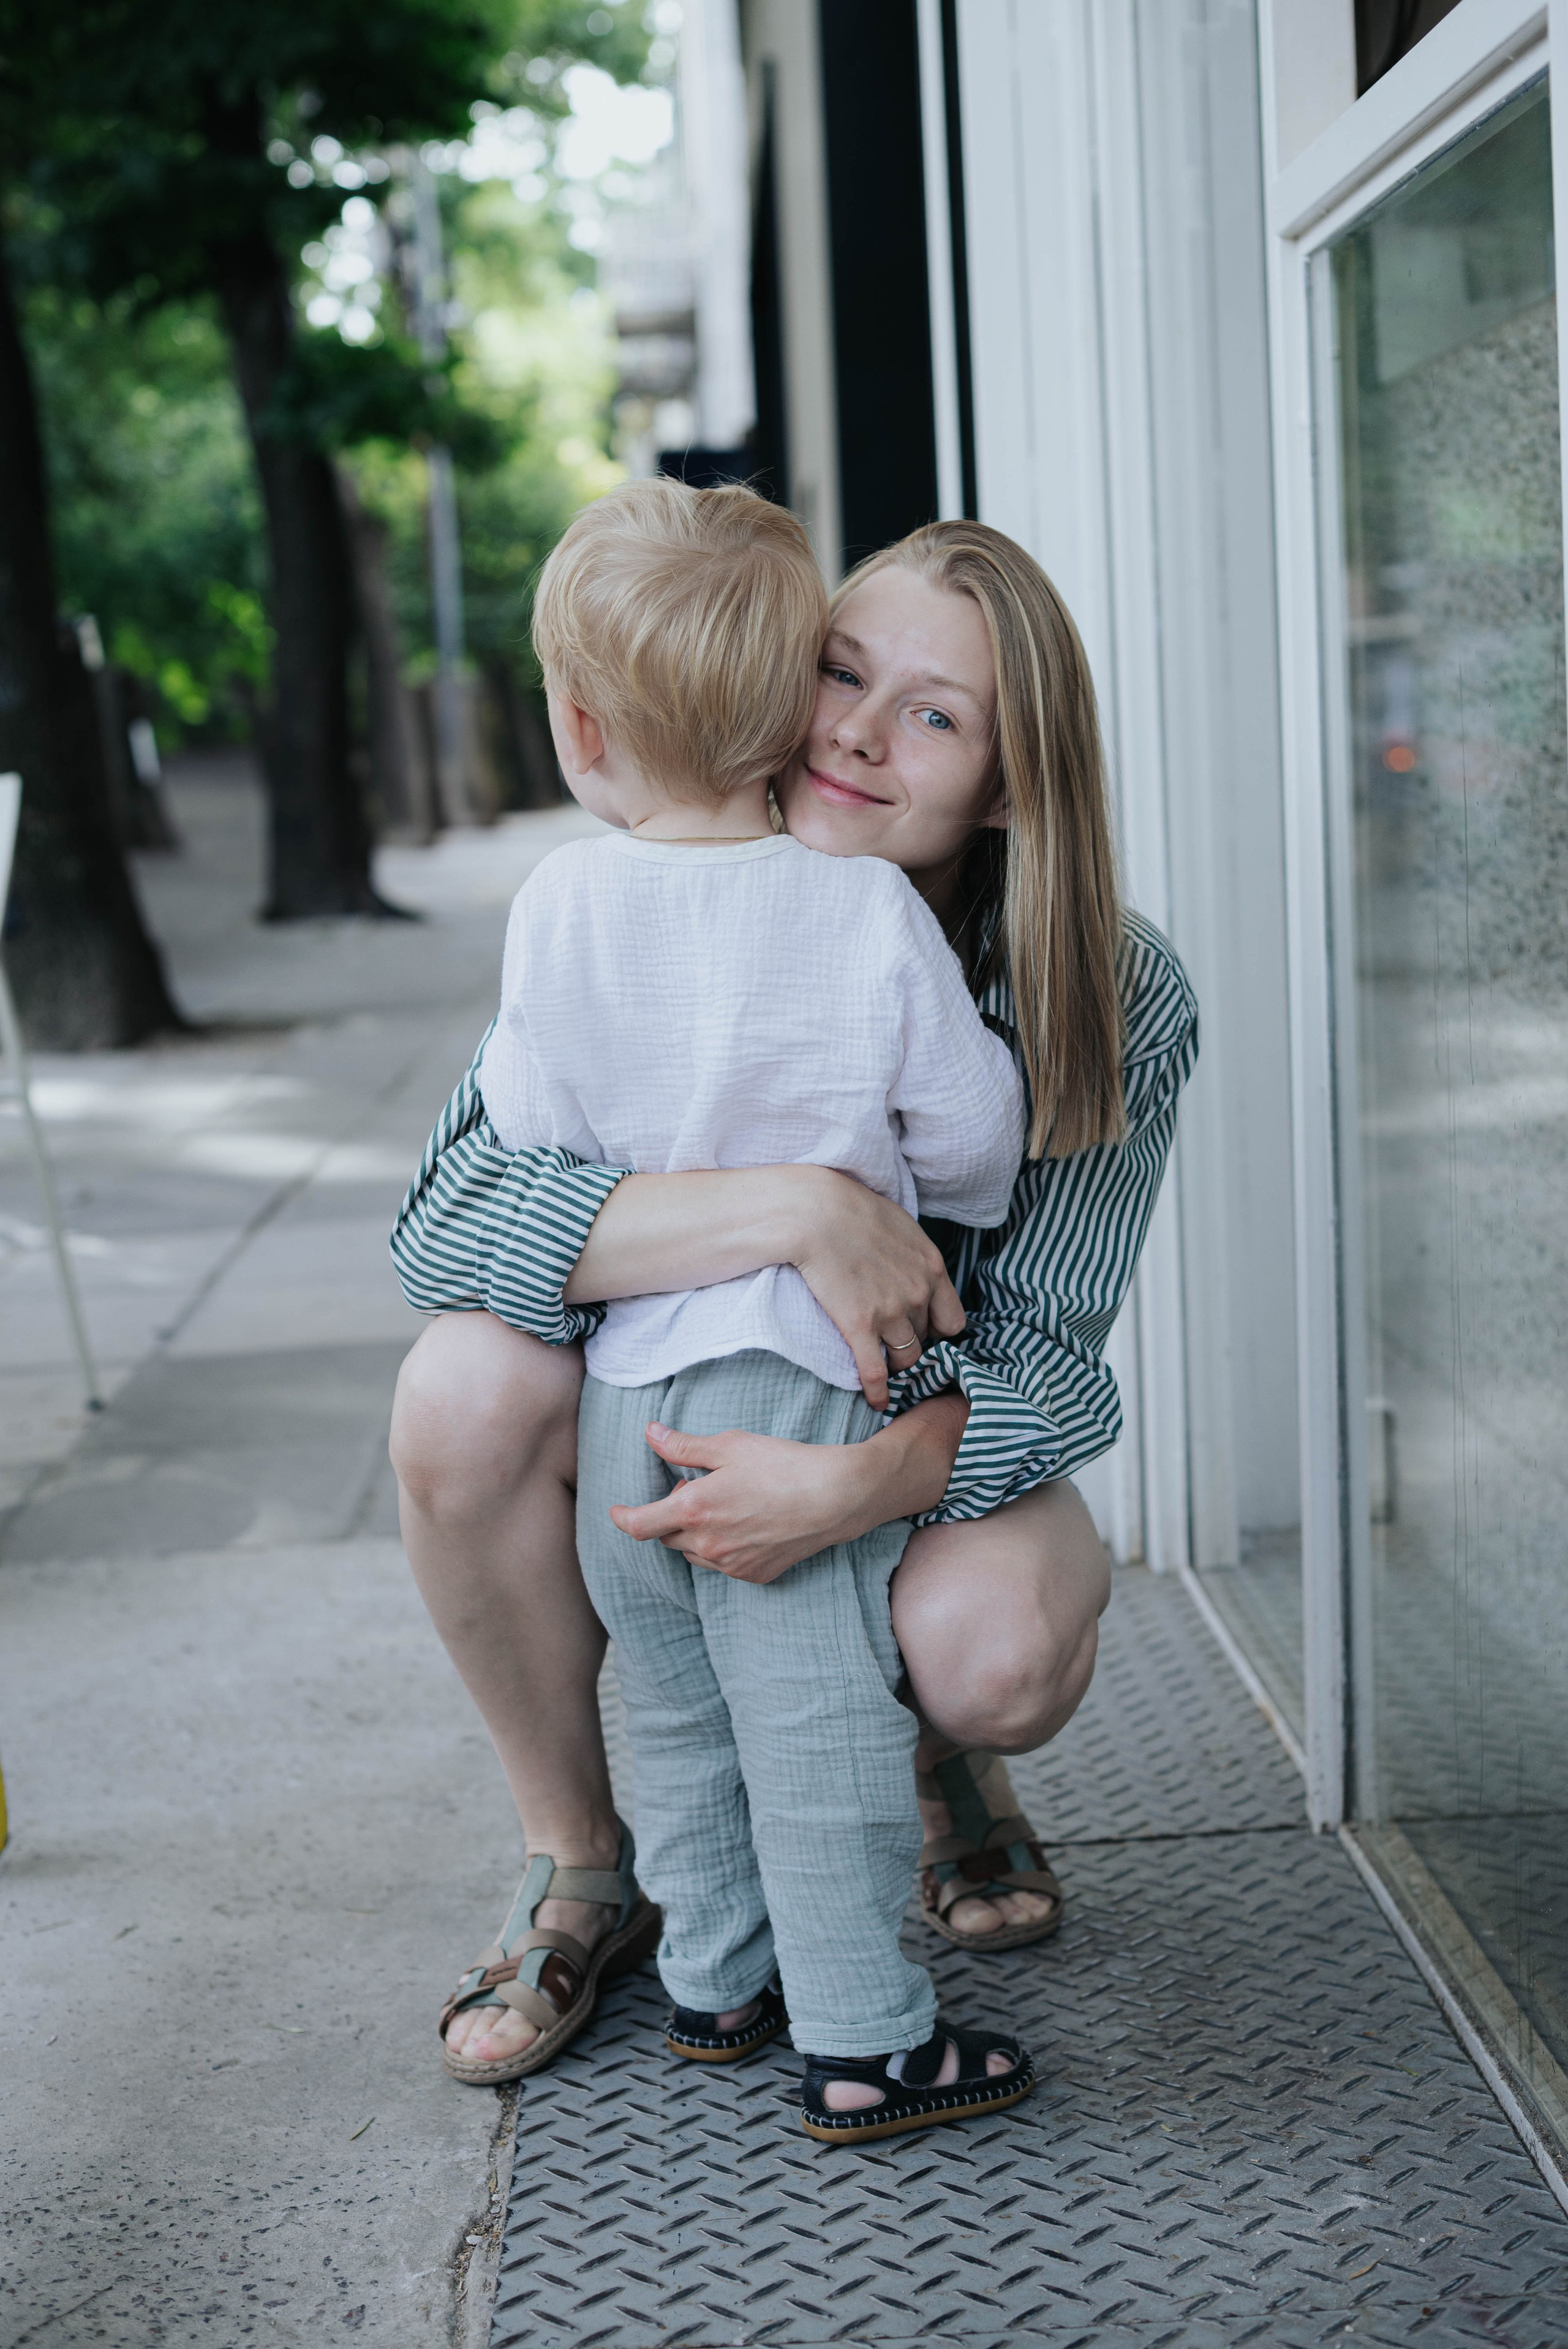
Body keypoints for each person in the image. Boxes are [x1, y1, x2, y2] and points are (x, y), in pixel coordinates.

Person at [390, 515, 1197, 2109]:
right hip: (664, 1408)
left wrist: (855, 1486)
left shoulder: (1106, 981)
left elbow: (1053, 1362)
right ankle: (583, 1869)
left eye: (937, 714)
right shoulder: (628, 891)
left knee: (1003, 1641)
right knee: (456, 1391)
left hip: (894, 1424)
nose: (854, 732)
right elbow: (448, 1221)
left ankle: (928, 1766)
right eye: (844, 668)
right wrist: (799, 1210)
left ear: (1011, 781)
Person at [463, 476, 1032, 2140]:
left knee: (688, 1719)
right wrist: (895, 1188)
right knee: (821, 1730)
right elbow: (979, 1141)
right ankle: (868, 2039)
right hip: (790, 1386)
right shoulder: (859, 910)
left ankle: (719, 1983)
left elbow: (530, 1143)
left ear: (581, 728)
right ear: (794, 704)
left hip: (621, 1407)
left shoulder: (558, 904)